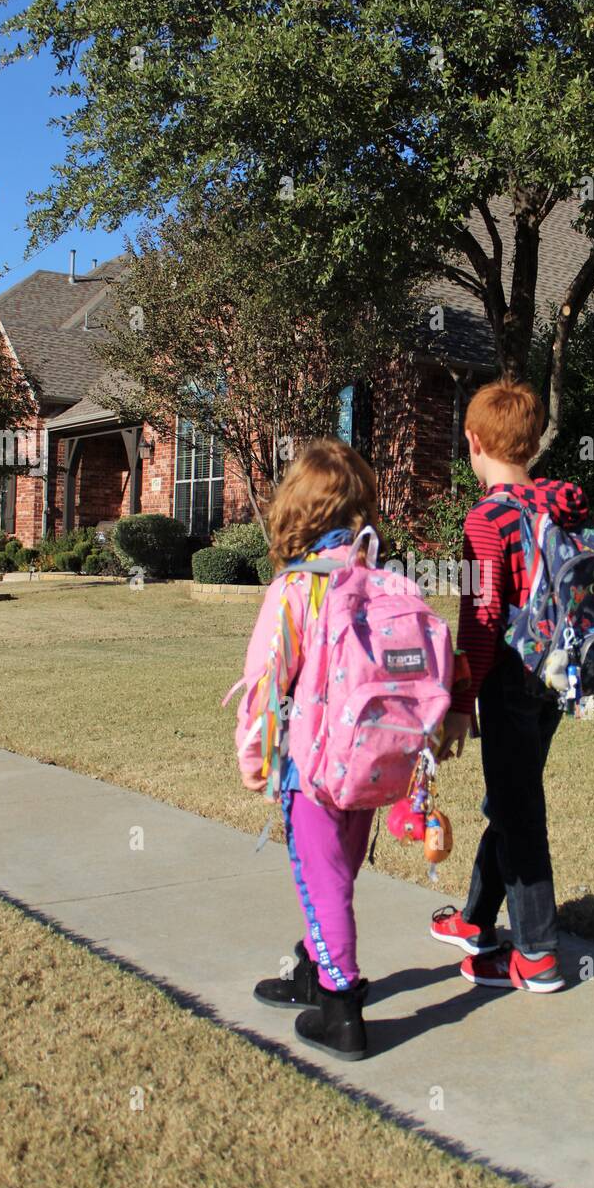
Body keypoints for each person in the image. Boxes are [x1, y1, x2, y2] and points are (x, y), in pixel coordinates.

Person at [433, 378, 592, 993]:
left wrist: (458, 704)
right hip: (560, 673)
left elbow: (481, 619)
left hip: (508, 678)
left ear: (474, 442)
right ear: (529, 443)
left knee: (518, 807)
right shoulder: (565, 502)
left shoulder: (485, 520)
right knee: (512, 794)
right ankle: (475, 920)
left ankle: (536, 955)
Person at [234, 440, 379, 1061]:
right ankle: (309, 967)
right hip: (371, 763)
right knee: (335, 876)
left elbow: (264, 683)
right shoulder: (377, 576)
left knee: (323, 884)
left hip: (314, 769)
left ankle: (341, 1010)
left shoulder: (295, 589)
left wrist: (253, 757)